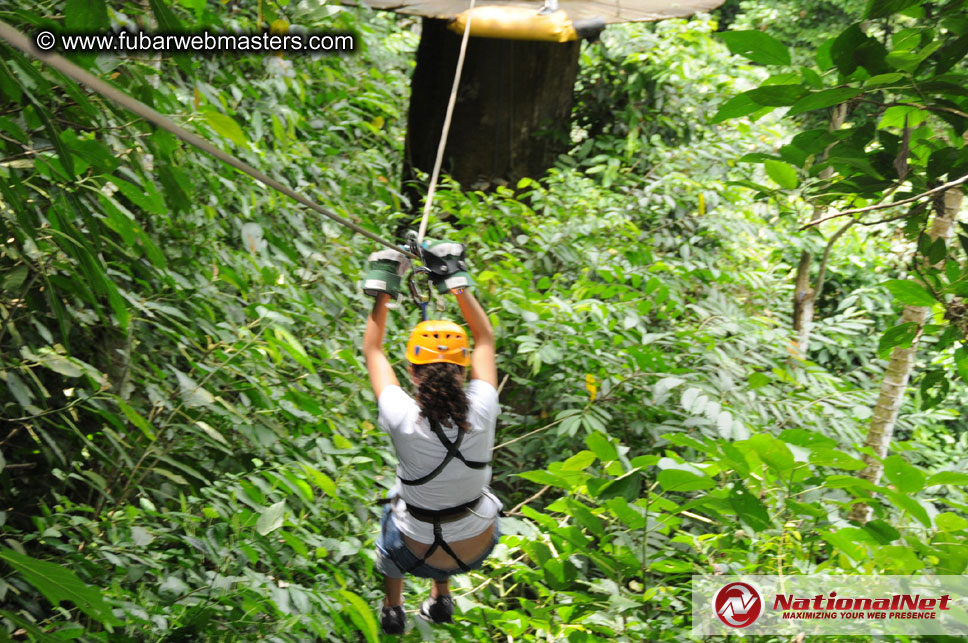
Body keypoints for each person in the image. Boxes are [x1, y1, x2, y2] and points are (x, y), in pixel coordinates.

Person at [361, 240, 502, 635]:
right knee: (451, 499)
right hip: (476, 548)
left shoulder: (401, 414)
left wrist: (384, 291)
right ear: (463, 368)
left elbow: (373, 351)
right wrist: (457, 285)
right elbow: (485, 338)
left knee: (396, 500)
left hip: (413, 550)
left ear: (412, 371)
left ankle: (393, 607)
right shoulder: (483, 405)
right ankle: (442, 597)